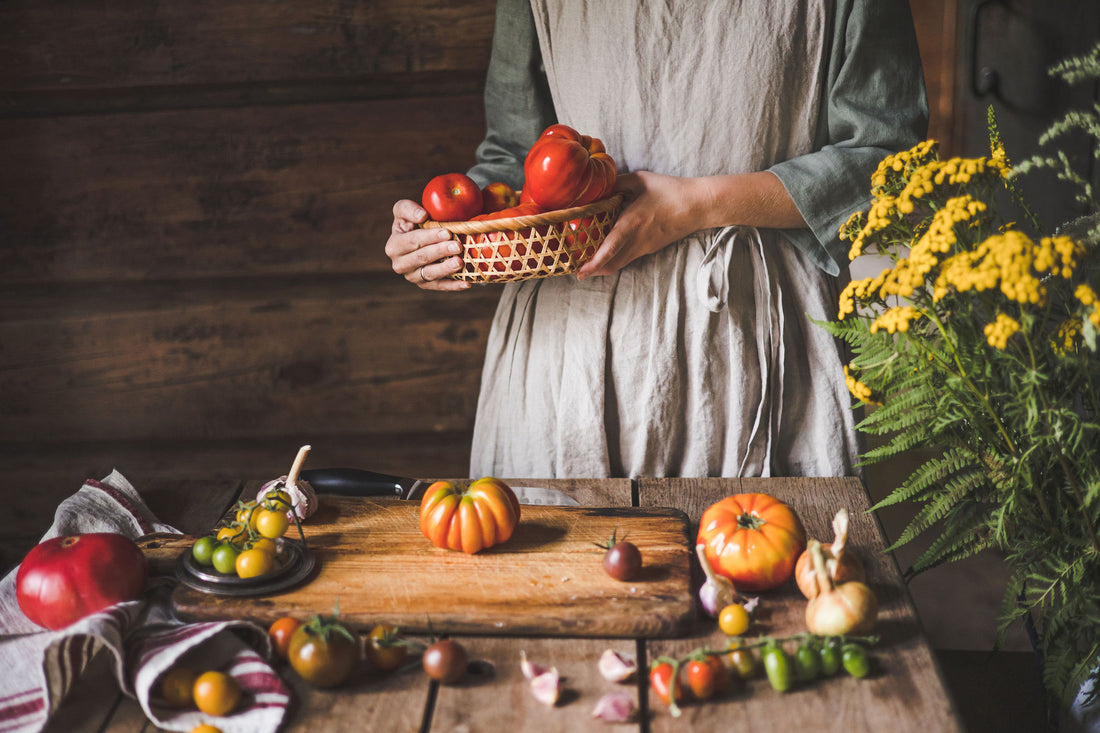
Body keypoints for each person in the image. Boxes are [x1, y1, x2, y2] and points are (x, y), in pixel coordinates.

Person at [385, 0, 928, 479]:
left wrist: (698, 204)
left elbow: (888, 158)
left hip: (750, 322)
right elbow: (513, 154)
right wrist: (445, 228)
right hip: (571, 342)